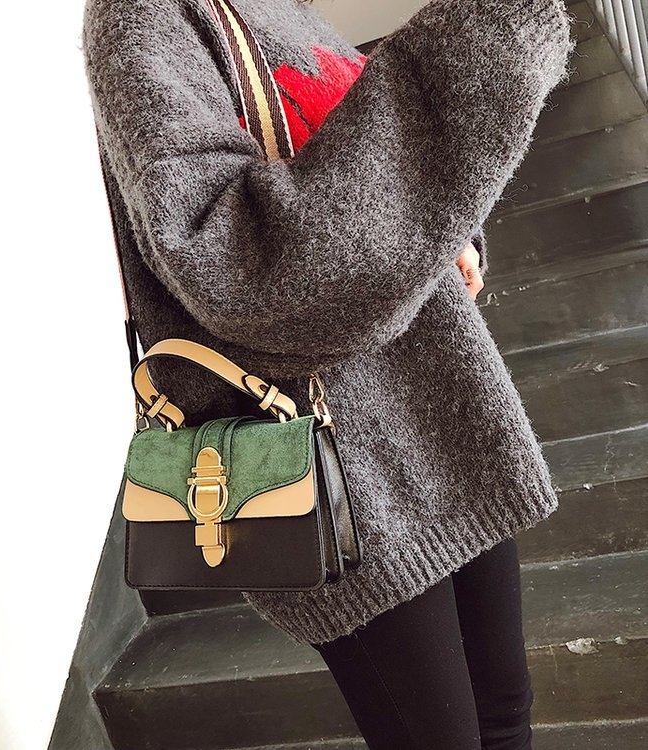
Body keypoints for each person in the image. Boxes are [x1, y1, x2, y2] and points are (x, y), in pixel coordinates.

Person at [81, 0, 574, 746]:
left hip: (450, 408)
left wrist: (453, 235)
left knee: (506, 711)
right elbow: (235, 263)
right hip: (339, 470)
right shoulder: (142, 15)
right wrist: (475, 46)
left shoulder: (283, 9)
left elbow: (350, 164)